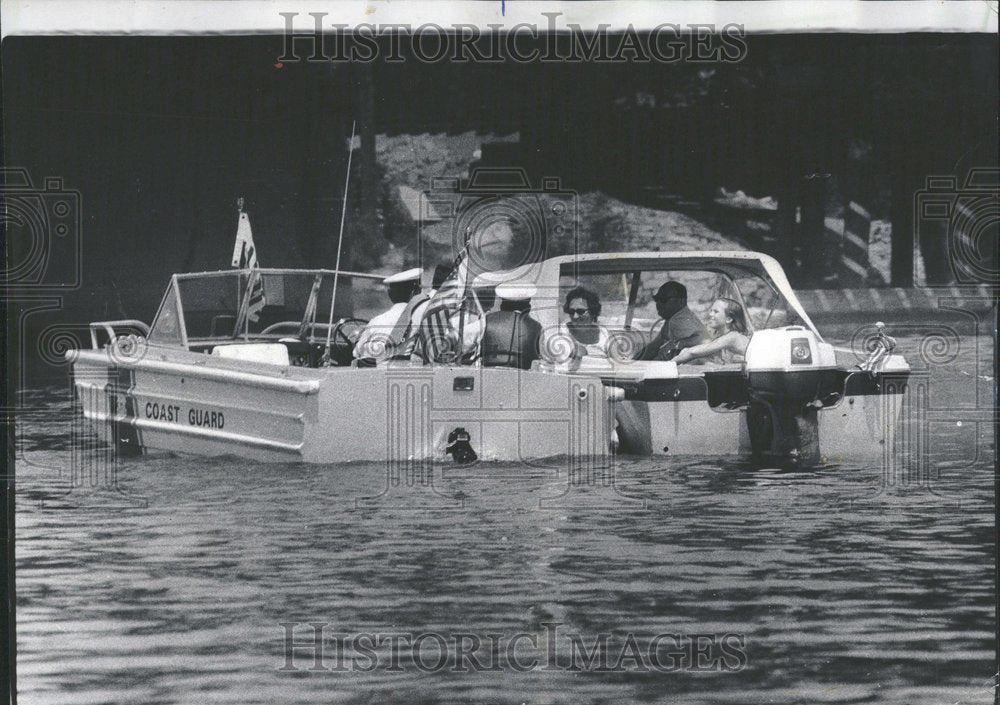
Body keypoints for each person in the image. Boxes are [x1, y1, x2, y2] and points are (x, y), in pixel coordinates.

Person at [352, 268, 428, 363]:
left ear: (390, 295)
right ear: (415, 293)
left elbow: (356, 353)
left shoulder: (375, 321)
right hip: (408, 372)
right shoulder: (420, 318)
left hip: (376, 373)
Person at [477, 283, 542, 370]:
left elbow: (466, 344)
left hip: (489, 375)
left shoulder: (486, 320)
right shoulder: (537, 327)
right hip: (523, 379)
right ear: (527, 305)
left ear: (502, 303)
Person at [640, 281, 708, 361]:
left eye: (663, 300)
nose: (658, 304)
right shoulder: (674, 317)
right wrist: (635, 361)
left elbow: (665, 357)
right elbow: (654, 346)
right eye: (656, 299)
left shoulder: (679, 321)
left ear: (680, 301)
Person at [673, 297, 750, 365]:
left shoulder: (732, 337)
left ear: (729, 319)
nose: (710, 314)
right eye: (711, 310)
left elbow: (693, 352)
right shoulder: (726, 337)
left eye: (716, 312)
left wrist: (668, 365)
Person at [562, 286, 609, 358]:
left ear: (592, 312)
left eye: (580, 311)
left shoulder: (602, 332)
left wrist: (586, 351)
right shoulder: (563, 331)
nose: (575, 316)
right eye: (571, 311)